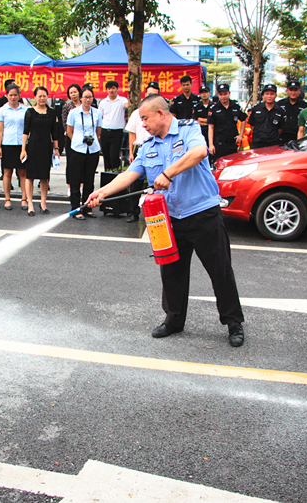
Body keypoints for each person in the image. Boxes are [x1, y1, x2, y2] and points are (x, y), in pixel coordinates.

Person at [88, 94, 246, 347]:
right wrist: (102, 192)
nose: (143, 124)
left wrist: (168, 173)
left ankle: (233, 322)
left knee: (220, 271)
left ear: (161, 114)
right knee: (172, 273)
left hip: (202, 213)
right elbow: (130, 174)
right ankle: (174, 320)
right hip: (170, 219)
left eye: (145, 118)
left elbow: (199, 152)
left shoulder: (188, 129)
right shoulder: (147, 145)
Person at [124, 81, 161, 223]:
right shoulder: (136, 113)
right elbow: (132, 134)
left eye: (154, 95)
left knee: (156, 183)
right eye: (149, 94)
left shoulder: (160, 114)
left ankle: (157, 212)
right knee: (135, 182)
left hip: (156, 149)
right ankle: (133, 212)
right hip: (140, 149)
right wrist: (131, 153)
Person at [22, 86, 60, 215]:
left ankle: (43, 203)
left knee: (45, 176)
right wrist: (23, 149)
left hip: (46, 146)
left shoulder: (52, 112)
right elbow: (25, 132)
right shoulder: (30, 112)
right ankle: (30, 204)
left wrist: (56, 148)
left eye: (44, 96)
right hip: (32, 146)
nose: (42, 98)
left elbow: (54, 133)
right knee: (30, 176)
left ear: (47, 97)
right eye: (39, 96)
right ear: (35, 97)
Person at [66, 86, 102, 220]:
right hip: (77, 149)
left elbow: (98, 131)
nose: (88, 100)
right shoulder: (73, 113)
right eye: (85, 97)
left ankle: (87, 207)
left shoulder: (97, 113)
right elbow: (69, 131)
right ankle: (76, 208)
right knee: (75, 179)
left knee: (89, 180)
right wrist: (77, 141)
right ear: (81, 98)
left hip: (93, 149)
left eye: (90, 97)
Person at [0, 83, 28, 211]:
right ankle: (7, 199)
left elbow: (27, 129)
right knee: (7, 173)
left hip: (22, 145)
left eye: (15, 95)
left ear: (19, 96)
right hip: (7, 144)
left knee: (23, 173)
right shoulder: (2, 110)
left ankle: (24, 198)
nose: (13, 97)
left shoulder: (25, 110)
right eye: (10, 95)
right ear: (6, 95)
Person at [207, 83, 247, 162]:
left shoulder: (235, 106)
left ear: (229, 93)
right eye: (221, 94)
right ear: (218, 94)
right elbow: (211, 127)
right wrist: (211, 145)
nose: (223, 96)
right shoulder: (214, 108)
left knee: (233, 164)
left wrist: (241, 135)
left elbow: (243, 119)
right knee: (219, 164)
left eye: (225, 94)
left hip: (232, 142)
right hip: (219, 143)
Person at [98, 80, 129, 171]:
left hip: (117, 132)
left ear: (117, 89)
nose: (111, 90)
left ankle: (115, 173)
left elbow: (127, 105)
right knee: (106, 155)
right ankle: (107, 173)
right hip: (105, 131)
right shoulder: (103, 102)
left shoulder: (122, 100)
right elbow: (99, 117)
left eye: (113, 88)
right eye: (109, 88)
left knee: (114, 155)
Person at [248, 84, 285, 149]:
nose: (269, 96)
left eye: (272, 94)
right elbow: (252, 126)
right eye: (267, 94)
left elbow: (280, 129)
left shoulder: (280, 111)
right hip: (257, 143)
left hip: (273, 144)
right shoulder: (256, 109)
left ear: (275, 95)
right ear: (263, 95)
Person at [62, 84, 83, 196]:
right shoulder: (67, 106)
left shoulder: (85, 105)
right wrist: (73, 138)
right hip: (71, 138)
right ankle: (70, 186)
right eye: (71, 93)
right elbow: (65, 124)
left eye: (75, 92)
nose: (73, 94)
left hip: (83, 139)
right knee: (70, 163)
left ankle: (81, 185)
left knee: (82, 163)